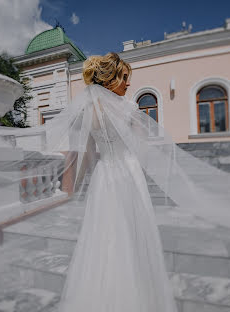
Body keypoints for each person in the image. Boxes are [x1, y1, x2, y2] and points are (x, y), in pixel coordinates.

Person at [57, 52, 178, 312]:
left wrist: (73, 190)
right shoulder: (128, 109)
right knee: (133, 236)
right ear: (111, 79)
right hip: (128, 172)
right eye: (124, 77)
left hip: (103, 177)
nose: (128, 83)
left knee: (105, 237)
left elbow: (87, 157)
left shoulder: (87, 112)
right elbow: (141, 149)